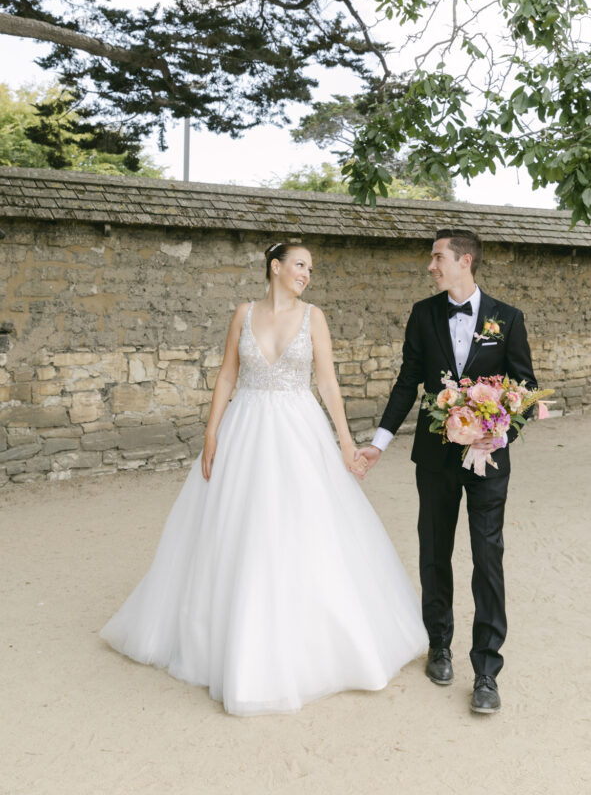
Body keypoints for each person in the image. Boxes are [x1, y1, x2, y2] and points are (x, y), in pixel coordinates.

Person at [100, 241, 427, 716]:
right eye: (300, 265)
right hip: (245, 429)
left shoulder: (314, 317)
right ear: (275, 268)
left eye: (311, 268)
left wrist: (344, 441)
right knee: (235, 528)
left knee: (303, 528)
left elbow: (328, 382)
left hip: (299, 432)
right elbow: (228, 377)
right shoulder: (242, 313)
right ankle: (227, 639)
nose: (307, 274)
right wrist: (211, 433)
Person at [356, 228, 538, 714]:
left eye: (437, 257)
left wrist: (496, 433)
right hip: (434, 458)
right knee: (434, 550)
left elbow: (524, 389)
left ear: (465, 260)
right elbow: (406, 383)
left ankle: (486, 670)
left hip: (488, 460)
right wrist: (379, 444)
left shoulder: (508, 317)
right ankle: (439, 644)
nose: (430, 266)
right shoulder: (423, 314)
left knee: (487, 557)